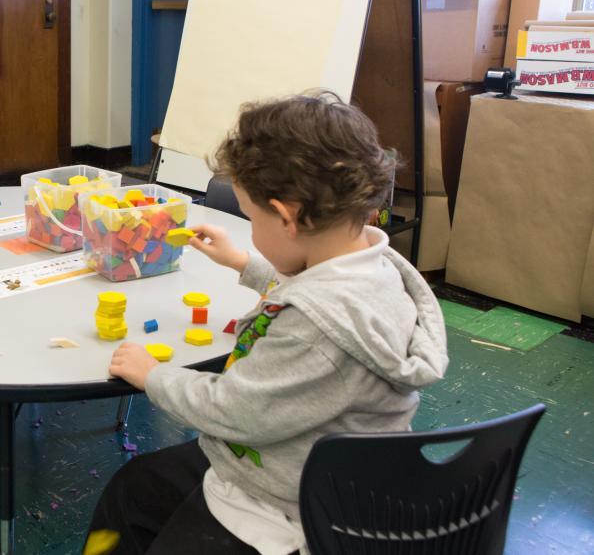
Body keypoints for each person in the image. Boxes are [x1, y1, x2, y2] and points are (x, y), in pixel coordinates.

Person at [86, 93, 449, 555]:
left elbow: (231, 411)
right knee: (135, 487)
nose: (251, 230)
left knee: (142, 499)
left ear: (285, 216)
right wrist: (245, 263)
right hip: (324, 468)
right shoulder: (377, 269)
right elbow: (319, 293)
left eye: (253, 218)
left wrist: (151, 374)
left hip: (286, 508)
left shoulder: (318, 329)